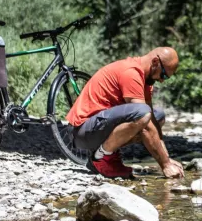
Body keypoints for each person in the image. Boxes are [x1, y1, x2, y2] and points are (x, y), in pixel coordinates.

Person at [67, 47, 185, 179]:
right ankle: (100, 158)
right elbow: (145, 123)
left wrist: (166, 158)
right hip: (83, 132)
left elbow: (152, 121)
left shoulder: (145, 80)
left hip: (98, 127)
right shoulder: (131, 73)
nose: (162, 80)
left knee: (158, 116)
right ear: (155, 62)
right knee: (143, 114)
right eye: (163, 75)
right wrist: (165, 165)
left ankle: (107, 154)